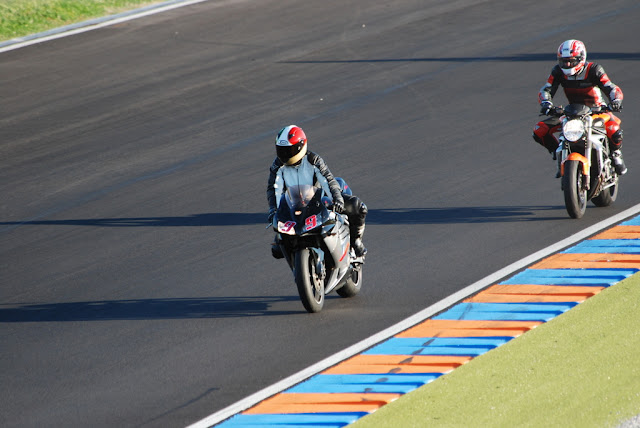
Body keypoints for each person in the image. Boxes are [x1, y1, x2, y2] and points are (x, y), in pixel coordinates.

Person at [267, 125, 368, 257]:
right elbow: (273, 188)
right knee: (277, 249)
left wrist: (337, 199)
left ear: (300, 146)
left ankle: (355, 241)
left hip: (319, 199)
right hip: (293, 203)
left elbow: (328, 179)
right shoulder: (277, 165)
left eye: (289, 150)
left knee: (358, 206)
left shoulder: (313, 160)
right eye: (281, 150)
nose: (285, 155)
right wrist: (274, 209)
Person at [533, 39, 626, 175]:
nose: (567, 64)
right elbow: (546, 90)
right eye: (564, 61)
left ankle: (616, 153)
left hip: (597, 111)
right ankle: (558, 154)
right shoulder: (557, 71)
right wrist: (546, 104)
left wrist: (615, 101)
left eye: (571, 61)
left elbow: (611, 88)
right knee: (539, 130)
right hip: (572, 112)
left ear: (581, 58)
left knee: (614, 129)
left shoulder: (594, 69)